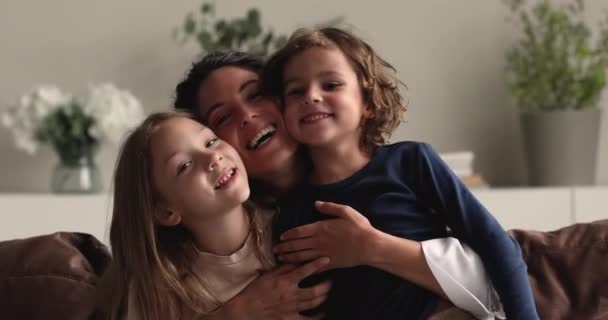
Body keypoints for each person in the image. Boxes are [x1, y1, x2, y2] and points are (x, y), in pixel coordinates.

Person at [174, 51, 504, 319]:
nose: (246, 115)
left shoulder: (391, 171)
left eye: (256, 95)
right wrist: (240, 311)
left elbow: (494, 275)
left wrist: (374, 248)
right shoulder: (233, 241)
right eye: (222, 118)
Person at [261, 27, 538, 319]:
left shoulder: (412, 162)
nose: (311, 96)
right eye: (296, 91)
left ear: (367, 103)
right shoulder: (292, 208)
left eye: (330, 84)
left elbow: (496, 245)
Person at [101, 111, 332, 320]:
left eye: (211, 141)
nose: (212, 158)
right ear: (166, 212)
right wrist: (239, 312)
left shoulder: (294, 225)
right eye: (185, 166)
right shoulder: (160, 286)